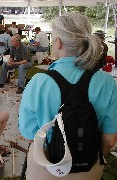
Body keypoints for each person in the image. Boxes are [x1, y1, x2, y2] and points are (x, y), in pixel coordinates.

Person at [18, 13, 117, 180]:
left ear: (58, 42)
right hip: (89, 167)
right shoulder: (107, 82)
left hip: (47, 166)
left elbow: (29, 135)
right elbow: (110, 140)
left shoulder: (38, 81)